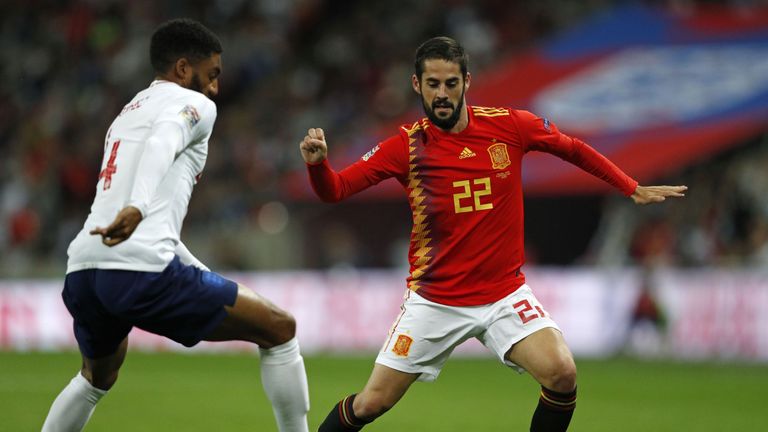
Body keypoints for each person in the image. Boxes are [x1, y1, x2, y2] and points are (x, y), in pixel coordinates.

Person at [300, 36, 686, 432]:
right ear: (417, 85)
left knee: (562, 374)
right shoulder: (406, 148)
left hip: (504, 294)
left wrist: (628, 186)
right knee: (372, 402)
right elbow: (336, 189)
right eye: (432, 84)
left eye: (451, 83)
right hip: (436, 300)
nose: (442, 94)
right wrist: (318, 166)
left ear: (467, 80)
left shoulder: (510, 126)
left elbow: (571, 148)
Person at [42, 19, 309, 432]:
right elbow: (164, 140)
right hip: (138, 270)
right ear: (184, 69)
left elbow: (148, 202)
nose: (216, 87)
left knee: (95, 378)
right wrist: (137, 206)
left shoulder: (127, 113)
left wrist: (186, 257)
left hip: (84, 269)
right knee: (280, 328)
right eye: (213, 74)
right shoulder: (194, 105)